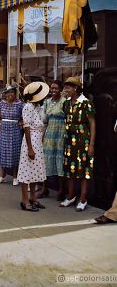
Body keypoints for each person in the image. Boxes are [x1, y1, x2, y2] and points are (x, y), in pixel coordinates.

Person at [59, 76, 95, 212]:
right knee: (70, 169)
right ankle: (71, 196)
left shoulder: (86, 103)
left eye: (68, 88)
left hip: (83, 141)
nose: (65, 90)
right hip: (69, 140)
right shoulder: (66, 103)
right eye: (65, 87)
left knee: (84, 170)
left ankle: (83, 198)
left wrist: (91, 144)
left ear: (75, 88)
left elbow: (92, 124)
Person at [18, 82, 50, 212]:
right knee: (26, 171)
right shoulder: (28, 107)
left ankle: (33, 198)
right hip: (30, 142)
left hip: (37, 142)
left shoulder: (36, 107)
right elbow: (26, 128)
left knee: (35, 171)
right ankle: (24, 200)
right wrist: (30, 148)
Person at [0, 86, 23, 185]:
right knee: (3, 152)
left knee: (14, 152)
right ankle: (3, 176)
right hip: (4, 130)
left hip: (15, 130)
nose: (9, 94)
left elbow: (25, 115)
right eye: (7, 93)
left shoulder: (20, 105)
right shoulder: (1, 104)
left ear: (15, 93)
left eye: (12, 92)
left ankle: (15, 177)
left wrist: (21, 122)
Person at [41, 80, 67, 200]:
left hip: (61, 132)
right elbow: (44, 120)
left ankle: (61, 190)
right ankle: (44, 188)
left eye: (56, 88)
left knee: (60, 160)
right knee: (46, 159)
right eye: (52, 88)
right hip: (50, 132)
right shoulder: (47, 102)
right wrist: (42, 135)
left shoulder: (65, 102)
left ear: (61, 89)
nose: (53, 90)